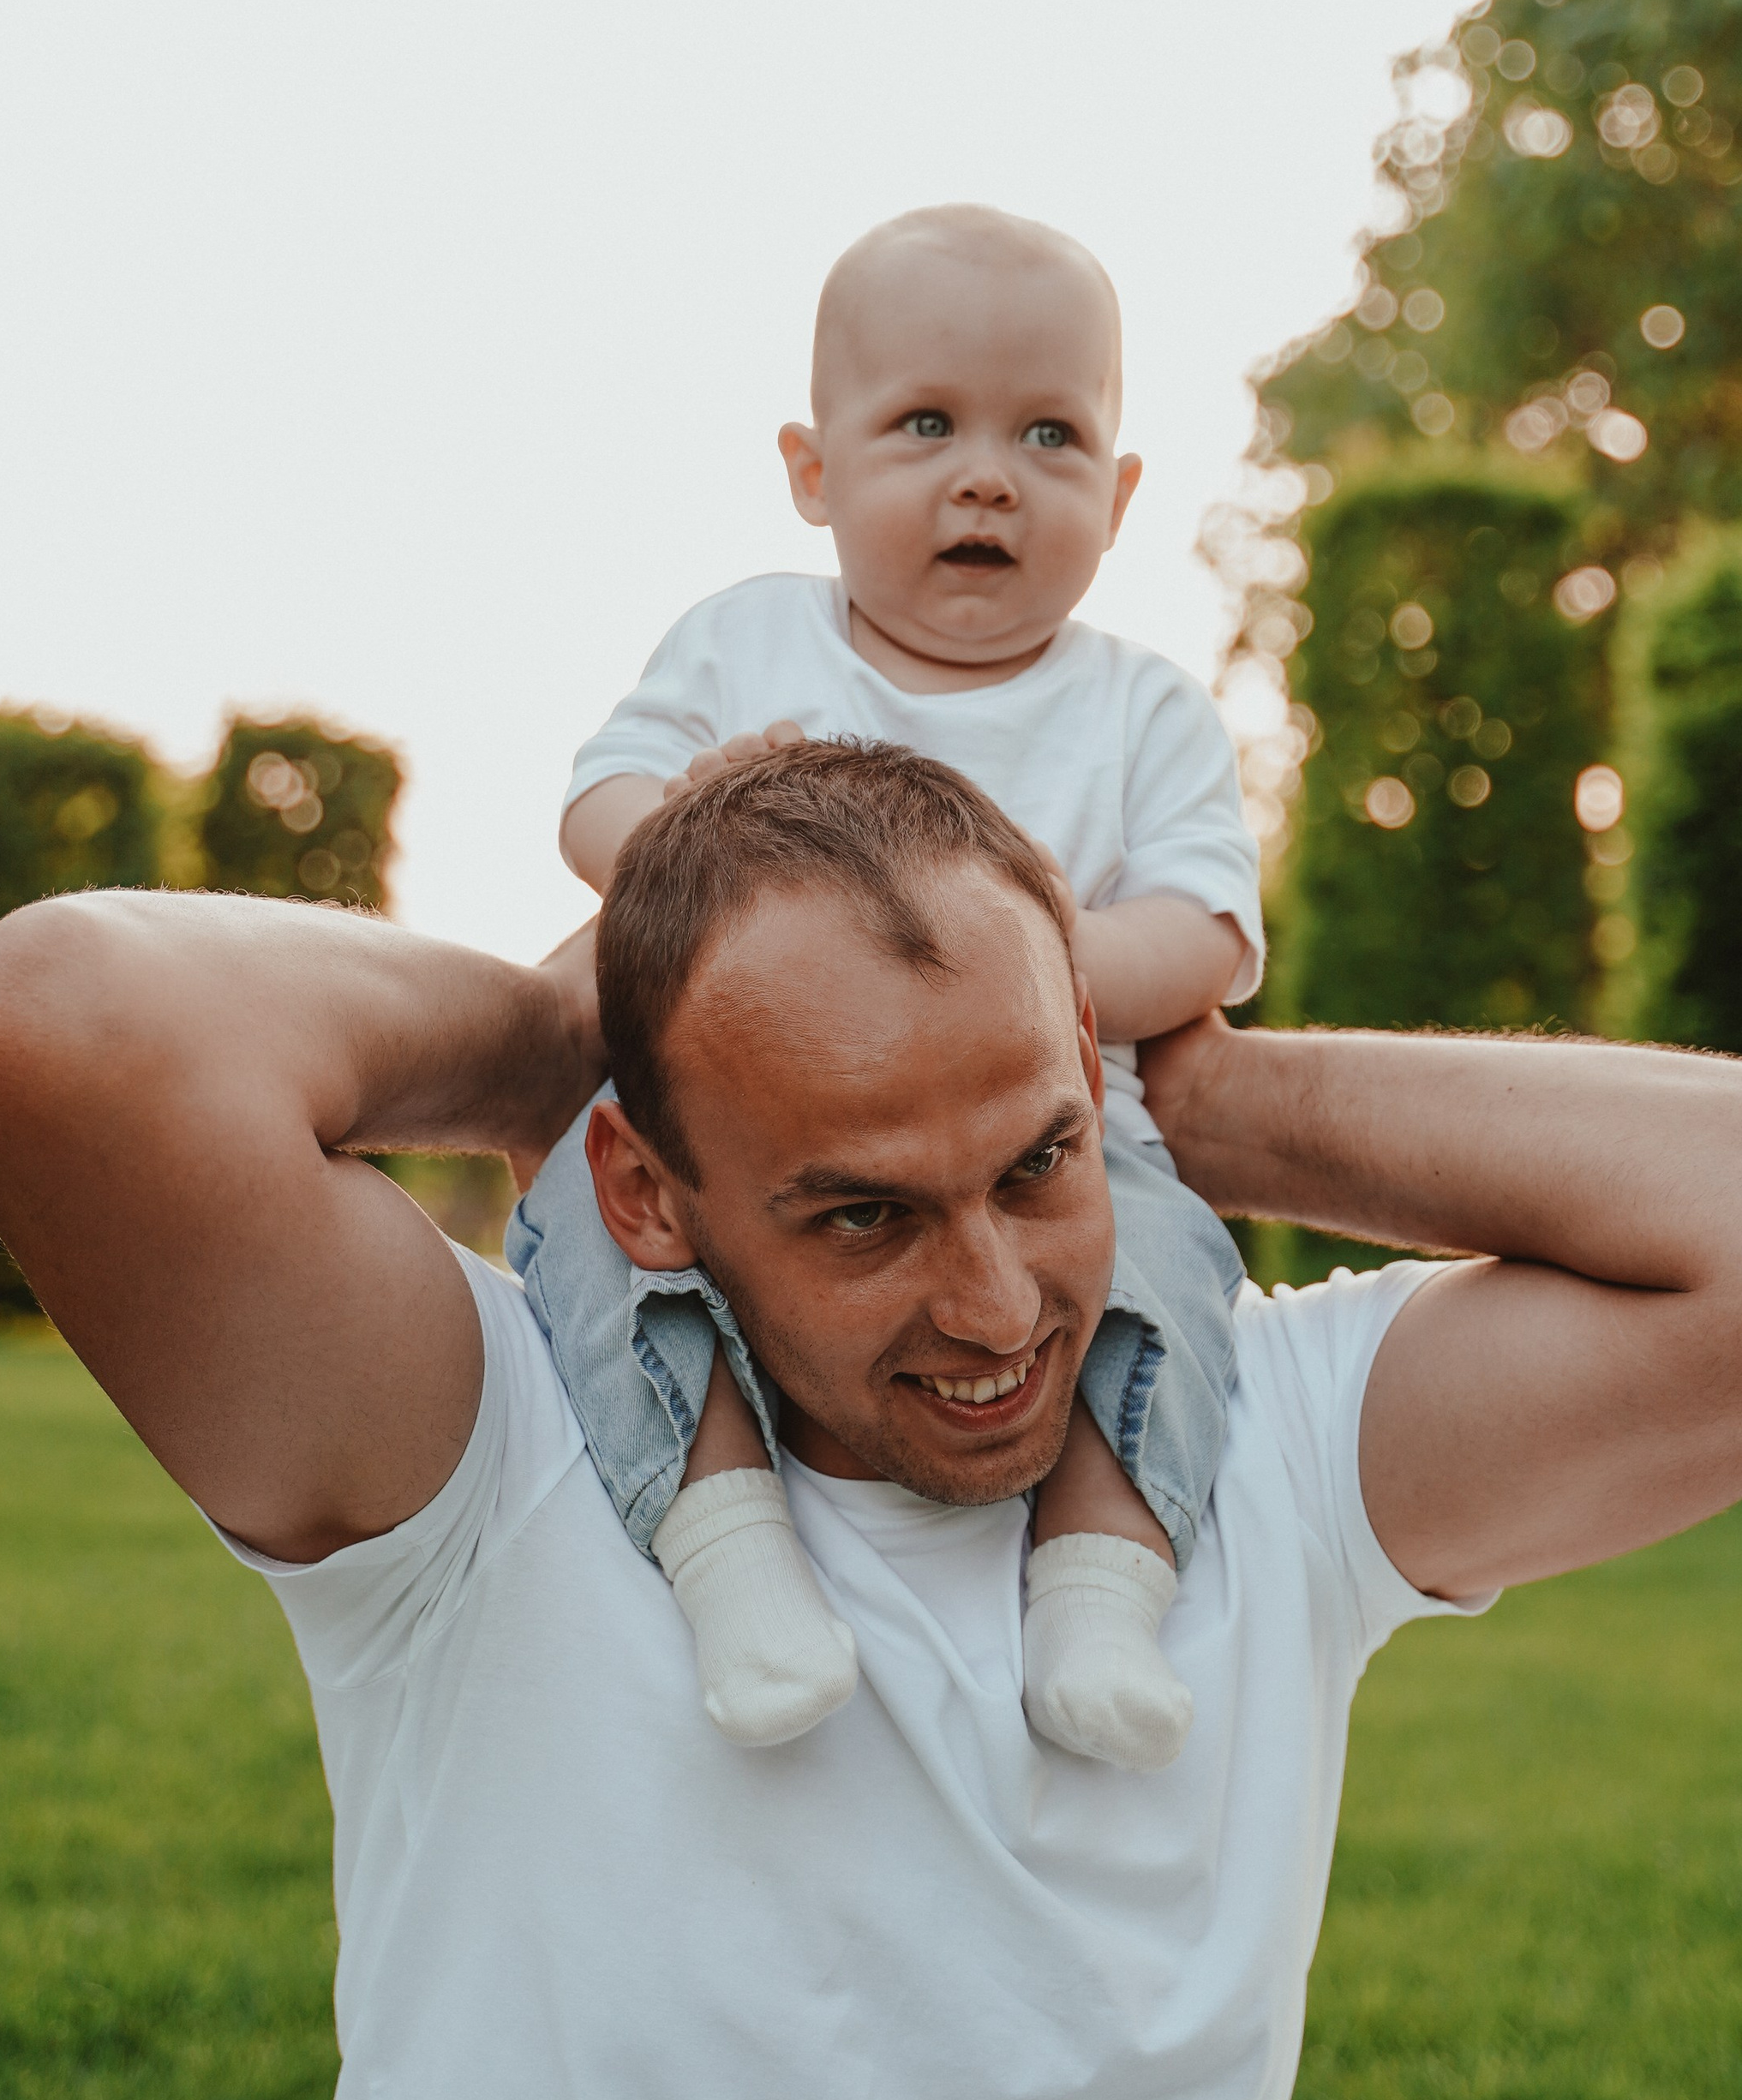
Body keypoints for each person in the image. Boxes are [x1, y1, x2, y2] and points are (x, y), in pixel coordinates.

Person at [0, 739, 1742, 2100]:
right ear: (640, 1194)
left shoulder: (1268, 1457)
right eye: (861, 1212)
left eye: (1034, 1165)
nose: (992, 1307)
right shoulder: (478, 1455)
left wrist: (1208, 1109)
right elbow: (67, 1027)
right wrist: (573, 1042)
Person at [518, 200, 1261, 1771]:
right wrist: (693, 844)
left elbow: (1202, 933)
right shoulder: (748, 645)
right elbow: (598, 808)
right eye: (925, 423)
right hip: (757, 1127)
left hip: (1066, 1141)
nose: (987, 473)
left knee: (1180, 1282)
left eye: (1050, 435)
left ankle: (1102, 1581)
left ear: (1121, 496)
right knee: (593, 1242)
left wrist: (1019, 957)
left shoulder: (1140, 714)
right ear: (814, 470)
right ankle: (727, 1551)